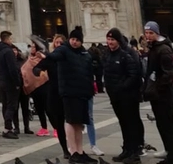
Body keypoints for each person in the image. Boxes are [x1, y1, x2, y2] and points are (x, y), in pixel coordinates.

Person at [37, 26, 94, 164]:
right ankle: (73, 151)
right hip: (68, 92)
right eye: (73, 39)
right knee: (71, 120)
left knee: (79, 123)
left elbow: (88, 71)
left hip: (81, 92)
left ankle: (80, 151)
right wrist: (46, 54)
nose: (74, 42)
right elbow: (54, 56)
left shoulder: (84, 53)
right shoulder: (63, 50)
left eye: (77, 40)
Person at [143, 21, 173, 164]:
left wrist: (159, 87)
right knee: (164, 125)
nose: (148, 36)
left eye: (151, 33)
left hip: (163, 95)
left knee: (168, 126)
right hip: (158, 94)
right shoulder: (154, 48)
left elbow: (169, 74)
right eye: (146, 33)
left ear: (157, 33)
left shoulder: (163, 49)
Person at [103, 27, 144, 164]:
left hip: (127, 96)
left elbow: (134, 74)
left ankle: (134, 152)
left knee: (131, 123)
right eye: (108, 39)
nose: (110, 42)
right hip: (115, 97)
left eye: (112, 39)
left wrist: (122, 87)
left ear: (118, 41)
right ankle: (126, 149)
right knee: (123, 123)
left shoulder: (125, 55)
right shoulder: (107, 55)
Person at [0, 31, 22, 139]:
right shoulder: (8, 51)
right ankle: (8, 128)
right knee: (11, 105)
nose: (11, 41)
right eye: (11, 39)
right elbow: (13, 69)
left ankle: (7, 127)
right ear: (7, 39)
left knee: (5, 105)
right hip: (9, 82)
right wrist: (17, 82)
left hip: (0, 80)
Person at [21, 39, 50, 138]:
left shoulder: (42, 58)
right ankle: (44, 127)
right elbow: (24, 70)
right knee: (39, 108)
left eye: (33, 47)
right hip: (33, 88)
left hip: (44, 85)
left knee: (48, 108)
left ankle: (56, 128)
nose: (31, 48)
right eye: (31, 47)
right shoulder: (29, 59)